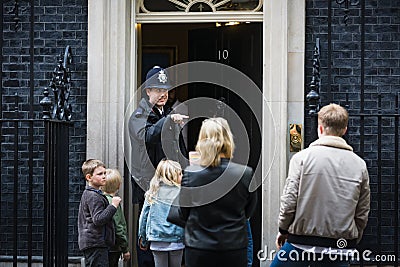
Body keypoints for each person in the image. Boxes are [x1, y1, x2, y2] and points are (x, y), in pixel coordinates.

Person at [270, 103, 370, 267]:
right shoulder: (359, 165)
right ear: (344, 130)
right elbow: (363, 210)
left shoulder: (301, 159)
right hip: (340, 246)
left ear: (320, 129)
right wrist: (353, 236)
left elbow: (289, 201)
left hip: (301, 243)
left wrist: (283, 229)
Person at [175, 117, 257, 267]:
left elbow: (183, 213)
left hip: (199, 248)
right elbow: (249, 212)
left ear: (202, 141)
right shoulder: (245, 173)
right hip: (233, 247)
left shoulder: (191, 174)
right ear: (228, 140)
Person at [129, 66, 189, 267]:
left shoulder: (168, 114)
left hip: (172, 184)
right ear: (148, 91)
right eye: (158, 89)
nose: (163, 94)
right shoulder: (139, 115)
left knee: (173, 232)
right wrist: (168, 121)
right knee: (150, 232)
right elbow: (145, 137)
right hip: (150, 185)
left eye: (166, 90)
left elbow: (178, 148)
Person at [138, 159, 185, 267]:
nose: (182, 176)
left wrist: (143, 238)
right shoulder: (182, 193)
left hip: (157, 238)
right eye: (180, 173)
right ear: (172, 175)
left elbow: (143, 217)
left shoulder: (152, 193)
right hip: (176, 238)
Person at [78, 159, 122, 267]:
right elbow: (98, 219)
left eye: (105, 173)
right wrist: (113, 205)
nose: (104, 176)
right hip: (96, 244)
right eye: (100, 174)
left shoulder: (92, 194)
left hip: (95, 243)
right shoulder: (93, 196)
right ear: (89, 177)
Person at [101, 169, 131, 267]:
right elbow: (119, 226)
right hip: (113, 246)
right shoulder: (114, 203)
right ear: (118, 185)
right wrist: (125, 249)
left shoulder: (100, 199)